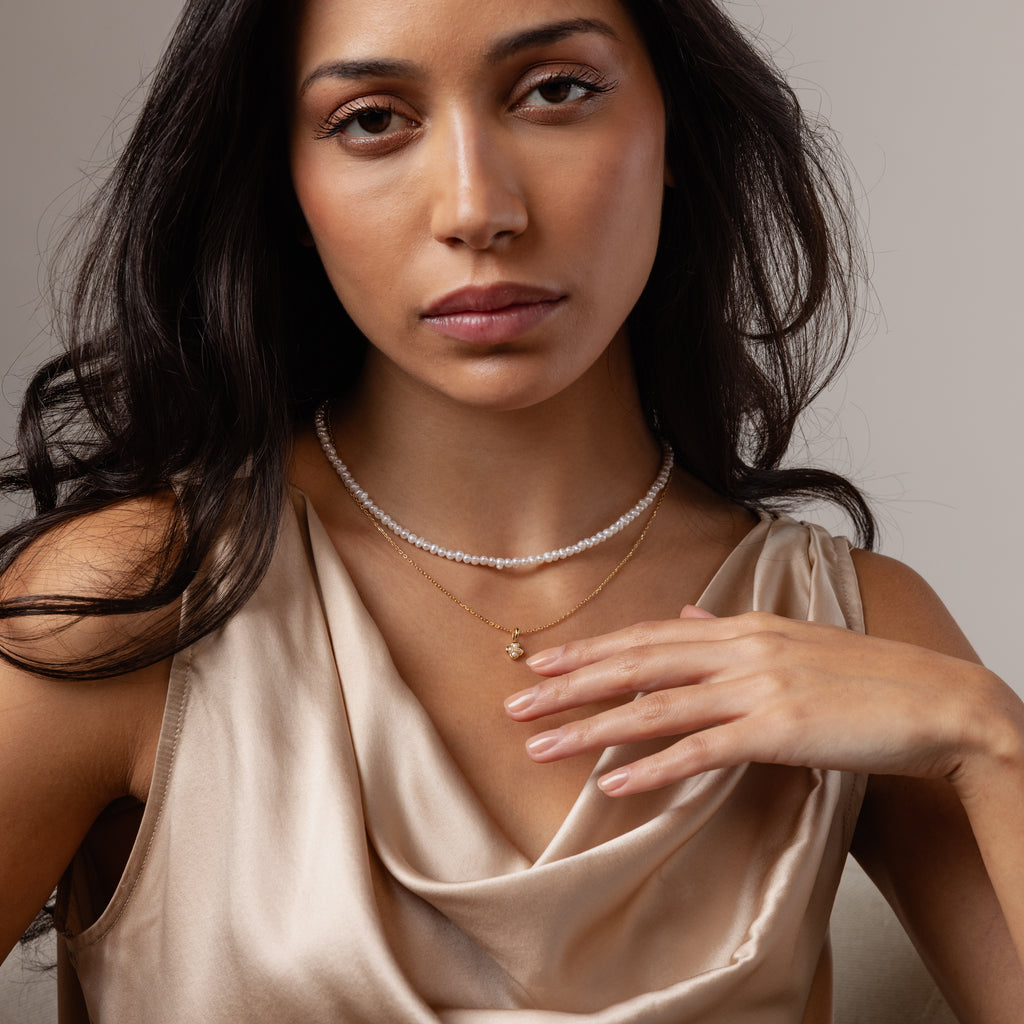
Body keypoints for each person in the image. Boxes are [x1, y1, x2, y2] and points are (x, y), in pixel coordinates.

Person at [1, 0, 1022, 1019]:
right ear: (288, 182)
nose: (476, 207)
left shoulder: (852, 627)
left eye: (555, 92)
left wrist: (991, 737)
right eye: (369, 119)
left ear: (676, 130)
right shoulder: (139, 602)